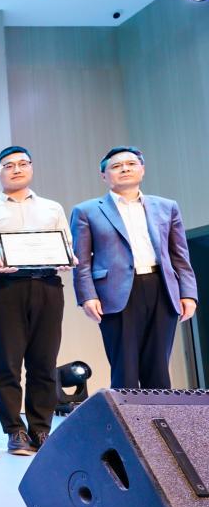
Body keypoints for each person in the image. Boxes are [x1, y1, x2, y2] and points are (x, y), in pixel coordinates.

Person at [0, 147, 71, 455]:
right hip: (5, 289)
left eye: (23, 163)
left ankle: (40, 428)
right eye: (9, 165)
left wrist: (67, 257)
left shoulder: (52, 208)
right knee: (7, 364)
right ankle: (14, 430)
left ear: (31, 168)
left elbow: (65, 243)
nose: (16, 169)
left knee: (44, 362)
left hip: (48, 285)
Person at [71, 147, 197, 389]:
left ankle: (159, 414)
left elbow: (180, 255)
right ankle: (127, 414)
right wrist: (87, 296)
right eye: (116, 166)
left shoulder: (167, 206)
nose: (125, 169)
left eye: (131, 164)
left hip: (162, 287)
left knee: (158, 366)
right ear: (104, 175)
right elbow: (81, 261)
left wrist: (188, 294)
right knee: (125, 368)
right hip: (114, 293)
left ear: (142, 170)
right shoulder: (86, 211)